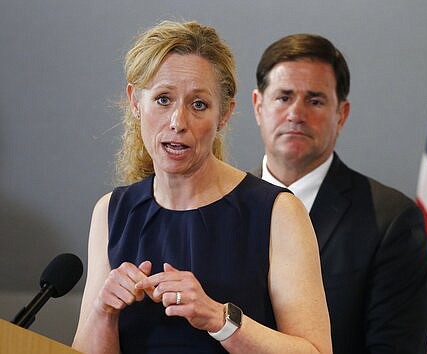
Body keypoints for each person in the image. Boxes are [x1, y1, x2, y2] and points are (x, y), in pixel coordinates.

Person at [72, 21, 331, 354]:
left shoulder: (277, 211)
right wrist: (102, 313)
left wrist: (219, 319)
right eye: (163, 100)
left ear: (224, 114)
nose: (178, 122)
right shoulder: (111, 211)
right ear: (135, 102)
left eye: (198, 105)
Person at [251, 33, 427, 354]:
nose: (296, 113)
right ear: (258, 105)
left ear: (342, 114)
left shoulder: (391, 220)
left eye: (315, 100)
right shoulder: (223, 205)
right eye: (283, 97)